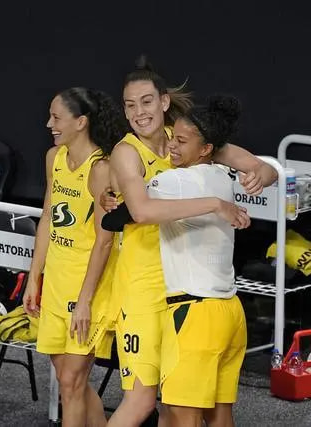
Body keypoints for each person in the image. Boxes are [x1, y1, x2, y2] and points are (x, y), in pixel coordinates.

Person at [103, 57, 276, 427]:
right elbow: (137, 210)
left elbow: (264, 168)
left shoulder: (184, 137)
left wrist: (260, 175)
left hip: (185, 291)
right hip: (145, 289)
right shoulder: (127, 151)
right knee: (143, 400)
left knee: (177, 405)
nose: (139, 112)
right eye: (130, 105)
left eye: (146, 101)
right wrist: (217, 203)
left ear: (164, 102)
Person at [21, 87, 126, 427]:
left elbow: (104, 242)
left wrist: (85, 301)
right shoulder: (54, 157)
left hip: (88, 286)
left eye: (56, 117)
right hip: (56, 281)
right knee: (71, 382)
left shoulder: (101, 169)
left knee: (70, 382)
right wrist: (34, 277)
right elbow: (47, 217)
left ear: (81, 122)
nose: (48, 124)